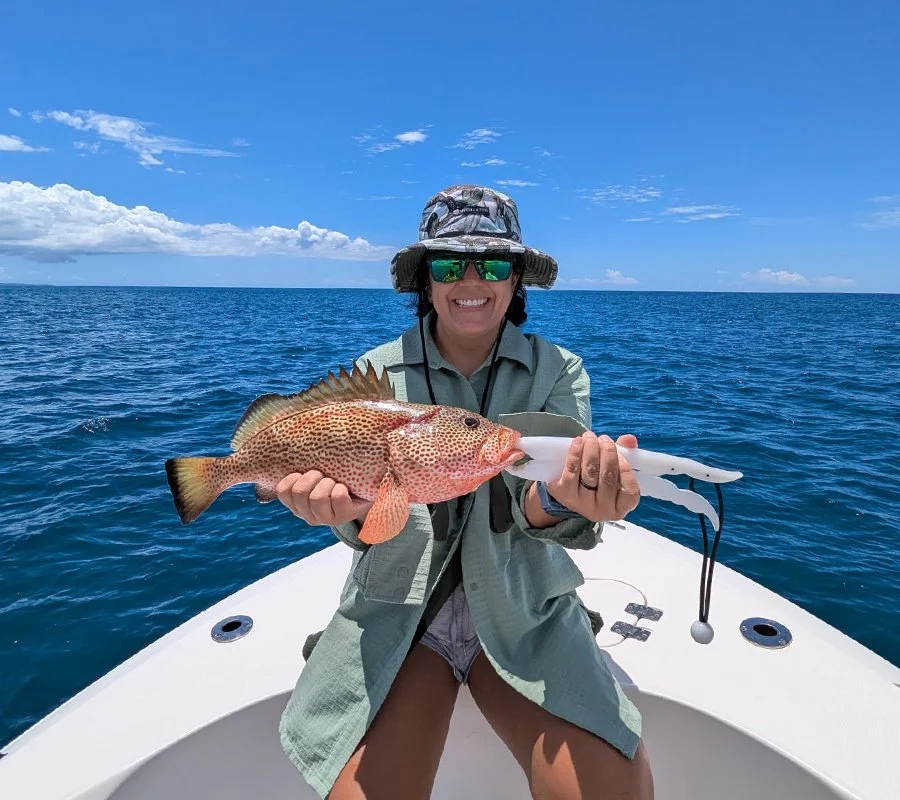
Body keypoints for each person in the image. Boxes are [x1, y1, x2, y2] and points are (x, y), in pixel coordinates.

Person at [276, 185, 654, 799]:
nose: (470, 280)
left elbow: (539, 500)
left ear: (515, 281)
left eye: (494, 264)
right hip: (399, 611)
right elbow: (363, 515)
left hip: (522, 607)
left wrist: (567, 499)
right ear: (425, 280)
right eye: (450, 264)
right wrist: (342, 508)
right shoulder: (376, 377)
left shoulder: (560, 371)